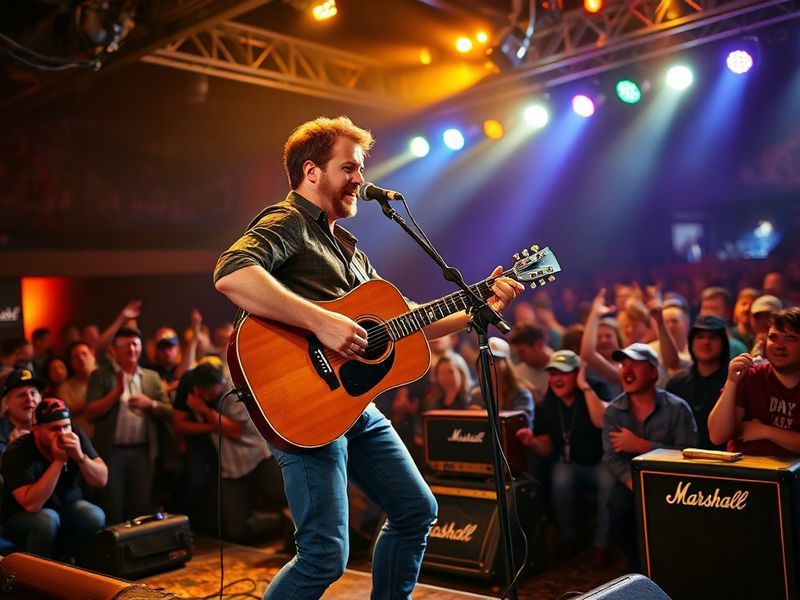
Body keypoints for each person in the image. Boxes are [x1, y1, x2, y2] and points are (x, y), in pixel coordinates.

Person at [213, 116, 522, 599]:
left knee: (417, 511)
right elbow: (232, 273)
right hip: (305, 407)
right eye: (350, 167)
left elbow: (410, 318)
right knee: (323, 556)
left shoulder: (349, 248)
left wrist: (477, 306)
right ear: (311, 171)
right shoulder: (287, 221)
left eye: (360, 168)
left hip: (353, 405)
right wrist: (322, 321)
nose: (361, 178)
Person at [602, 343, 697, 572]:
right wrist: (631, 481)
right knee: (617, 506)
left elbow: (689, 454)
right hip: (631, 482)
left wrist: (641, 445)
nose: (626, 369)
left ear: (654, 372)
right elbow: (611, 457)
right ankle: (636, 568)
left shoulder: (677, 408)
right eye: (623, 363)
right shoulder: (613, 411)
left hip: (673, 483)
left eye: (635, 363)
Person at [172, 360, 289, 543]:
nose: (206, 396)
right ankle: (275, 523)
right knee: (235, 530)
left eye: (210, 393)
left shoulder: (233, 389)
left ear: (220, 384)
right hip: (231, 466)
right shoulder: (191, 384)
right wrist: (210, 426)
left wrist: (203, 410)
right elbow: (179, 424)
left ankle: (289, 529)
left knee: (286, 499)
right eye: (203, 393)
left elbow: (235, 431)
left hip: (257, 457)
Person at [515, 351, 613, 566]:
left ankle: (601, 545)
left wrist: (584, 386)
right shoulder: (546, 406)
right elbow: (547, 449)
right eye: (552, 373)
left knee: (608, 481)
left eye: (564, 373)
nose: (557, 379)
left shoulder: (595, 391)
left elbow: (602, 422)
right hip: (570, 462)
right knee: (560, 477)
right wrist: (532, 442)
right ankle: (568, 537)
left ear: (578, 375)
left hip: (601, 461)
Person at [1, 397, 107, 559]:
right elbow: (31, 504)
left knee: (94, 515)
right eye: (54, 429)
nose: (63, 434)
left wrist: (80, 458)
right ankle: (37, 574)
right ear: (36, 430)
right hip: (21, 517)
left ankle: (61, 560)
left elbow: (101, 480)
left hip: (64, 507)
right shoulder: (18, 451)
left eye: (66, 426)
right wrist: (58, 462)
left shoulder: (76, 434)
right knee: (47, 520)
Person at [85, 327, 172, 524]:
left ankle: (138, 549)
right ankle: (113, 550)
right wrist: (116, 393)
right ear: (114, 350)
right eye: (126, 345)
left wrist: (150, 404)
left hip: (143, 451)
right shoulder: (101, 375)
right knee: (113, 505)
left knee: (141, 505)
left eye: (136, 344)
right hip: (112, 451)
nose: (132, 349)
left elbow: (169, 412)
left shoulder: (151, 376)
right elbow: (91, 412)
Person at [708, 307, 800, 455]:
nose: (778, 345)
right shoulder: (750, 376)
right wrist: (731, 382)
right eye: (773, 337)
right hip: (745, 474)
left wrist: (766, 431)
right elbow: (717, 436)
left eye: (789, 338)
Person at [665, 315, 730, 450]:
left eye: (713, 337)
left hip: (723, 460)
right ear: (691, 342)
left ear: (723, 343)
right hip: (681, 459)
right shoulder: (676, 384)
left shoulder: (733, 382)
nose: (706, 342)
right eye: (700, 336)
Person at [0, 369, 46, 454]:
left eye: (33, 393)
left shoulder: (53, 426)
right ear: (5, 403)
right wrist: (11, 451)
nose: (30, 399)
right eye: (21, 395)